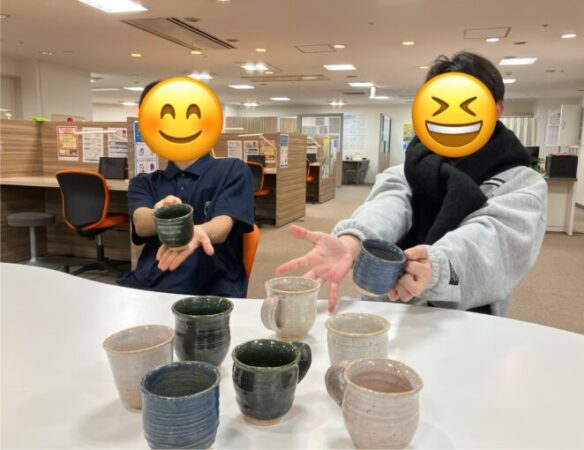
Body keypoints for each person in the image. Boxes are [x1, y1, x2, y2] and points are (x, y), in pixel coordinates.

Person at [277, 51, 547, 316]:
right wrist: (352, 241)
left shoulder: (522, 182)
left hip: (468, 319)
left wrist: (437, 268)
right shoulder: (410, 168)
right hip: (392, 310)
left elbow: (495, 242)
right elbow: (389, 203)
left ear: (497, 109)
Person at [119, 81, 254, 297]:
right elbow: (142, 224)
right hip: (151, 282)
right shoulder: (144, 182)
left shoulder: (233, 170)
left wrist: (195, 232)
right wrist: (162, 215)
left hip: (211, 287)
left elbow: (221, 227)